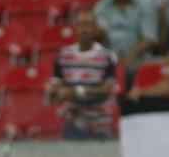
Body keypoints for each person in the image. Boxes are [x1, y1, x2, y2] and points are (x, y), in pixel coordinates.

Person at [48, 10, 118, 140]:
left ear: (96, 29)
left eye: (89, 25)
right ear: (75, 28)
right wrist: (53, 91)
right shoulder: (63, 56)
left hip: (99, 125)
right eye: (81, 25)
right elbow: (56, 89)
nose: (84, 30)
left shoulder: (107, 56)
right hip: (72, 124)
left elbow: (107, 90)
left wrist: (76, 92)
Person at [94, 0, 159, 81]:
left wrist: (130, 57)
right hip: (112, 62)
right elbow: (101, 38)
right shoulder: (101, 7)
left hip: (140, 61)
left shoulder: (146, 2)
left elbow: (150, 39)